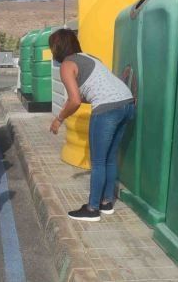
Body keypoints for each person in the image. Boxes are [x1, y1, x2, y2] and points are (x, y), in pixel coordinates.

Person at [47, 29, 135, 222]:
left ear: (57, 48)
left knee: (98, 162)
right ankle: (106, 202)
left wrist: (58, 119)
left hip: (107, 109)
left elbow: (75, 100)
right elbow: (87, 94)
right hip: (127, 103)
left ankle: (92, 208)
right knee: (110, 158)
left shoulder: (67, 65)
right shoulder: (89, 57)